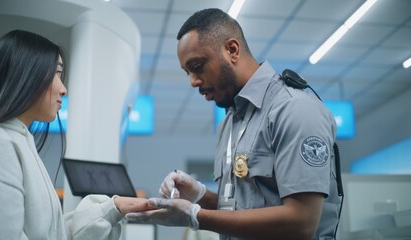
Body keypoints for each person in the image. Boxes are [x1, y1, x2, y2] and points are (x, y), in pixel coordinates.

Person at [126, 8, 342, 240]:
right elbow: (241, 209)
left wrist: (195, 216)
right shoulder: (229, 123)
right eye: (187, 72)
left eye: (197, 66)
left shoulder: (294, 109)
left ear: (232, 50)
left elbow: (302, 222)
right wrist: (200, 196)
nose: (192, 81)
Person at [0, 30, 152, 240]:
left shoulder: (18, 141)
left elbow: (52, 234)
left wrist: (112, 208)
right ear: (25, 73)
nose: (63, 89)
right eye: (57, 74)